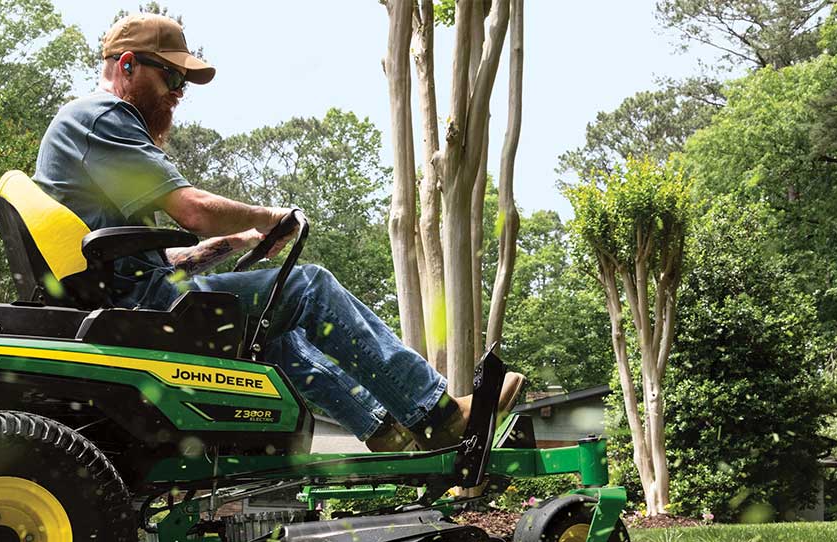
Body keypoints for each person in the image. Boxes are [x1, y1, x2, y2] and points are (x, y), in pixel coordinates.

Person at [33, 13, 523, 451]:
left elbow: (159, 260)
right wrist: (269, 218)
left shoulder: (91, 132)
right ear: (126, 66)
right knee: (309, 287)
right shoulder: (102, 118)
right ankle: (437, 414)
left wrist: (242, 243)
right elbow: (194, 211)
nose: (179, 92)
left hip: (134, 300)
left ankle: (383, 431)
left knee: (274, 328)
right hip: (141, 309)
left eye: (184, 81)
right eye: (172, 76)